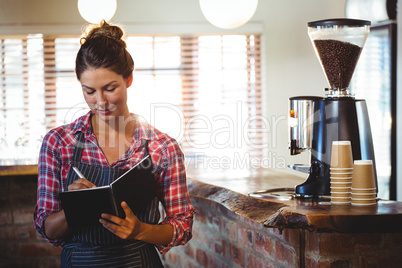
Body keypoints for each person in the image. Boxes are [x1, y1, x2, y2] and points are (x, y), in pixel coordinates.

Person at [33, 20, 196, 267]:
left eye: (110, 88)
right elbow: (47, 229)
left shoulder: (162, 147)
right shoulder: (58, 143)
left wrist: (140, 230)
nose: (100, 101)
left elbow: (182, 226)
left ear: (128, 79)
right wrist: (73, 209)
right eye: (89, 91)